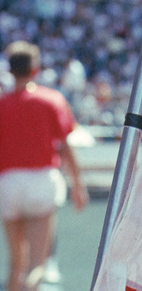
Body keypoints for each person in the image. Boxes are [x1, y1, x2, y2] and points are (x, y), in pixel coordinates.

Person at [0, 41, 89, 291]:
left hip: (8, 182)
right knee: (37, 265)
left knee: (16, 265)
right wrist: (78, 185)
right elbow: (66, 146)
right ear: (35, 70)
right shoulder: (51, 100)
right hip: (41, 180)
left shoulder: (2, 105)